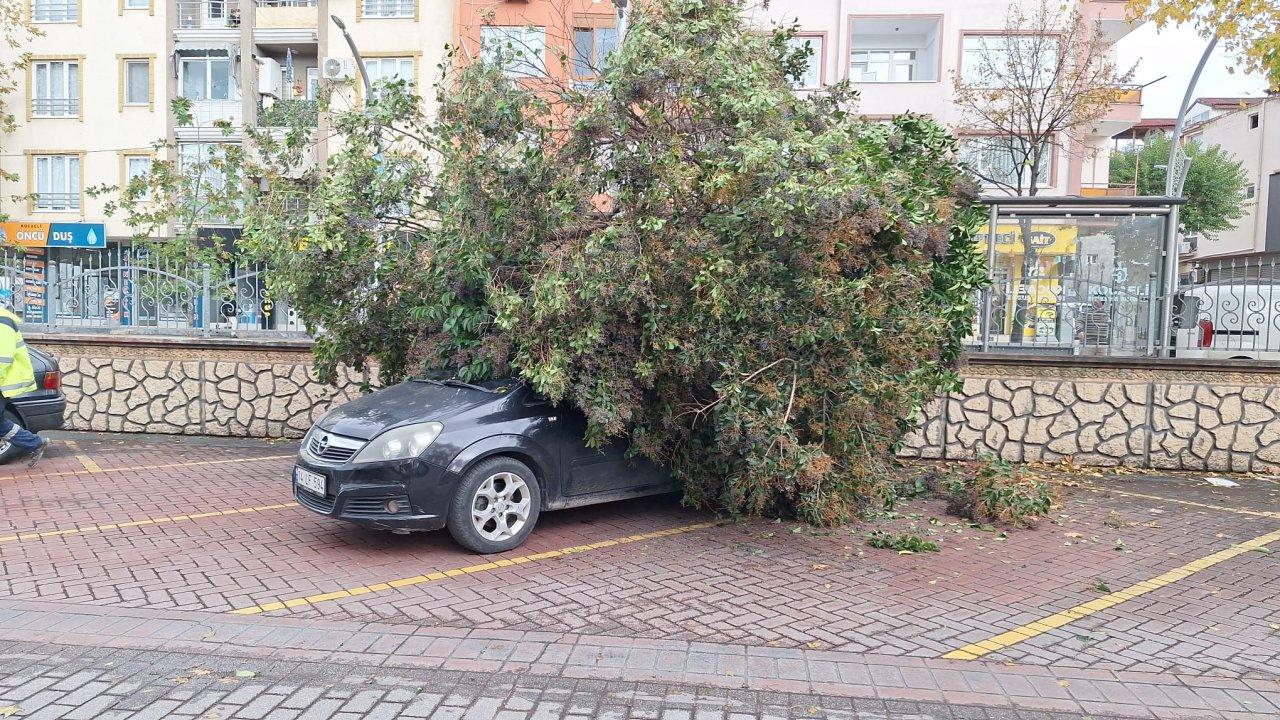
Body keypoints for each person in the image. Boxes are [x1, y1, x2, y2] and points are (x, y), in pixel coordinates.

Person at [0, 288, 50, 466]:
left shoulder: (3, 321)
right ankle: (35, 443)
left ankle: (35, 443)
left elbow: (3, 358)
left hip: (3, 381)